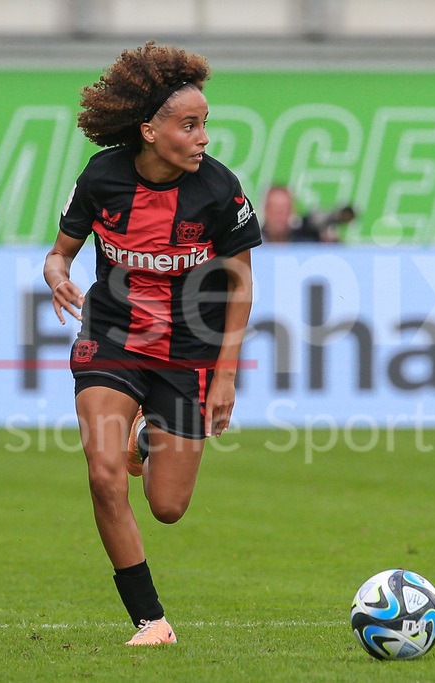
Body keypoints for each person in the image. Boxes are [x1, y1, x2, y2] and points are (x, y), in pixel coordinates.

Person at [43, 42, 261, 646]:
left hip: (190, 352)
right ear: (149, 130)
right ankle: (151, 620)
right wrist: (58, 277)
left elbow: (241, 284)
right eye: (189, 125)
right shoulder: (102, 178)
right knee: (103, 474)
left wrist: (225, 376)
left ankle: (146, 434)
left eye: (205, 124)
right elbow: (59, 254)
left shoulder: (219, 190)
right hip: (112, 336)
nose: (203, 138)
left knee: (167, 506)